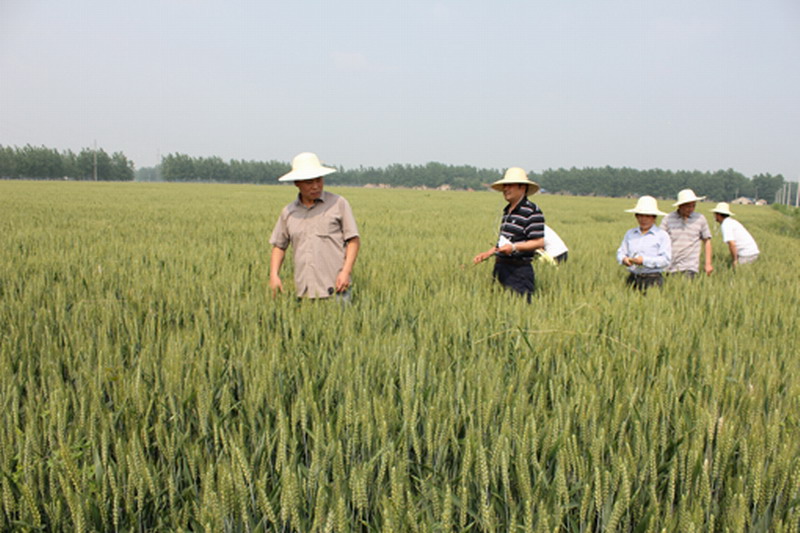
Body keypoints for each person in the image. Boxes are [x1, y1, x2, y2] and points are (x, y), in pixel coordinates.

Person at [269, 152, 360, 299]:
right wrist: (274, 275)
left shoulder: (338, 204)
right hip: (303, 292)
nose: (316, 186)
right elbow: (279, 245)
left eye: (319, 180)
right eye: (309, 182)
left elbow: (353, 240)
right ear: (297, 183)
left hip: (336, 289)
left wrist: (346, 272)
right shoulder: (288, 212)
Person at [472, 167, 545, 301]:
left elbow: (539, 242)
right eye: (505, 186)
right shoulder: (507, 211)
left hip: (519, 271)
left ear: (522, 187)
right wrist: (487, 254)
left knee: (520, 307)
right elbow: (504, 242)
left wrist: (514, 248)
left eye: (510, 185)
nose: (506, 189)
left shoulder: (532, 211)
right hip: (500, 268)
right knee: (498, 305)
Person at [617, 196, 672, 291]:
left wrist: (644, 261)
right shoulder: (630, 233)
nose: (643, 219)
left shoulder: (662, 235)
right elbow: (621, 252)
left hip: (653, 279)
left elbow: (665, 260)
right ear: (636, 216)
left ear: (654, 217)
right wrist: (624, 259)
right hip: (633, 278)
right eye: (640, 216)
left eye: (647, 216)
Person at [660, 189, 713, 278]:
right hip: (670, 266)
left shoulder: (700, 218)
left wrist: (708, 264)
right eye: (688, 206)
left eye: (693, 206)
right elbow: (660, 240)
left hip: (690, 267)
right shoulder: (668, 219)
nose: (691, 209)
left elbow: (707, 241)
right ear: (680, 205)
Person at [711, 202, 760, 267]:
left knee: (739, 271)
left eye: (715, 214)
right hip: (752, 252)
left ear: (718, 214)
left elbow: (732, 244)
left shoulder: (726, 224)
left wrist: (735, 260)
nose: (714, 216)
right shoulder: (730, 221)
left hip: (746, 254)